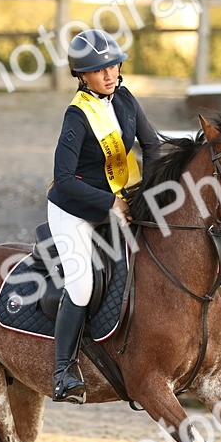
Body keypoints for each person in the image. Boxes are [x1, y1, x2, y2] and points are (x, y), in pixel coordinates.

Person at [47, 28, 162, 404]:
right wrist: (111, 204)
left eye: (113, 65)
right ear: (82, 76)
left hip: (122, 200)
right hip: (76, 210)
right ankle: (63, 371)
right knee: (81, 284)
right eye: (99, 70)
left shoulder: (125, 99)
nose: (110, 74)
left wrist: (155, 194)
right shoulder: (77, 117)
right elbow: (63, 181)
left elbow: (153, 146)